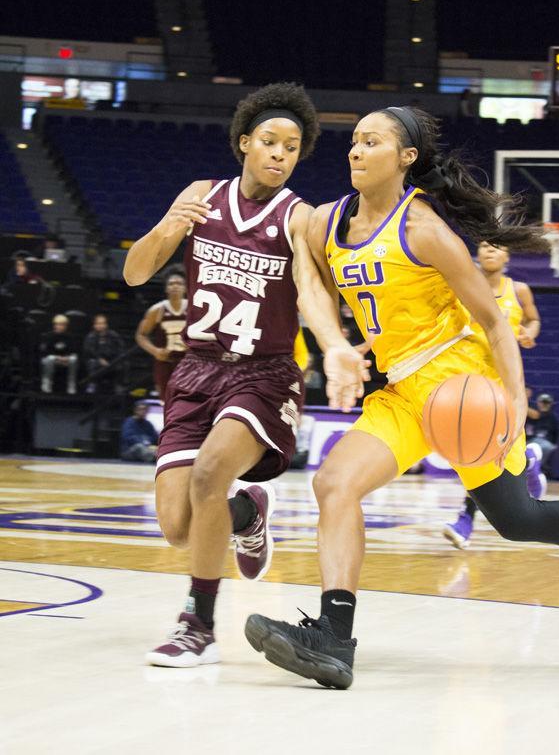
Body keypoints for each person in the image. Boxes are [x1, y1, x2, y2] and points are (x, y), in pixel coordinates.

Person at [245, 105, 559, 690]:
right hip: (400, 391)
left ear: (407, 158)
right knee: (333, 483)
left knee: (519, 520)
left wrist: (516, 405)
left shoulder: (423, 231)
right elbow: (308, 282)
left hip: (460, 387)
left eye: (372, 142)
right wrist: (334, 346)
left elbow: (497, 324)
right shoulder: (324, 221)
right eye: (355, 141)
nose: (356, 150)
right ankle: (334, 639)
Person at [123, 82, 368, 669]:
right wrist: (167, 228)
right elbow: (135, 275)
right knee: (178, 527)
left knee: (210, 473)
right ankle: (247, 513)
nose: (280, 153)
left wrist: (333, 345)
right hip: (195, 372)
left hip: (263, 375)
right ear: (244, 143)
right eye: (270, 141)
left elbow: (311, 293)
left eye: (292, 146)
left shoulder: (298, 216)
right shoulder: (202, 196)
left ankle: (197, 625)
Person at [444, 240, 542, 549]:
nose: (490, 251)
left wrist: (529, 333)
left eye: (497, 247)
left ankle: (465, 519)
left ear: (507, 255)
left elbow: (533, 318)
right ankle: (528, 460)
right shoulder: (464, 281)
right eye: (485, 246)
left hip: (503, 380)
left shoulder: (520, 289)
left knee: (483, 453)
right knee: (476, 451)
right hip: (468, 376)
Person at [135, 271, 188, 400]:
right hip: (165, 361)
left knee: (189, 401)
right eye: (171, 284)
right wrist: (155, 351)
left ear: (185, 288)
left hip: (188, 362)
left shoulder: (194, 307)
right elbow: (140, 335)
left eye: (179, 283)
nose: (175, 286)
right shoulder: (157, 310)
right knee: (166, 401)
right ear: (166, 288)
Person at [83, 313, 125, 393]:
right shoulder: (90, 336)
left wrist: (114, 360)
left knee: (123, 363)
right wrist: (99, 359)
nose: (100, 325)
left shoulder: (113, 335)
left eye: (102, 323)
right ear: (94, 325)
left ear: (106, 324)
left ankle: (118, 384)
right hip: (96, 360)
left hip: (112, 360)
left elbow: (120, 348)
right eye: (98, 323)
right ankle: (92, 383)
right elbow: (89, 351)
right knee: (91, 362)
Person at [40, 314, 79, 394]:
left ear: (66, 326)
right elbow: (45, 352)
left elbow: (74, 351)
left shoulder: (70, 337)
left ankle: (71, 386)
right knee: (49, 359)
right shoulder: (49, 336)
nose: (59, 326)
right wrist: (57, 357)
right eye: (57, 324)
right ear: (54, 325)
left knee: (74, 359)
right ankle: (46, 385)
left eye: (61, 324)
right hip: (53, 359)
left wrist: (66, 357)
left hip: (65, 360)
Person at [526, 392, 559, 471]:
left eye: (547, 403)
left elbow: (556, 435)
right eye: (543, 402)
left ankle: (537, 469)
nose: (544, 404)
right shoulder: (532, 415)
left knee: (547, 447)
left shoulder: (553, 418)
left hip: (546, 442)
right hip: (531, 441)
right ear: (538, 403)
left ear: (550, 404)